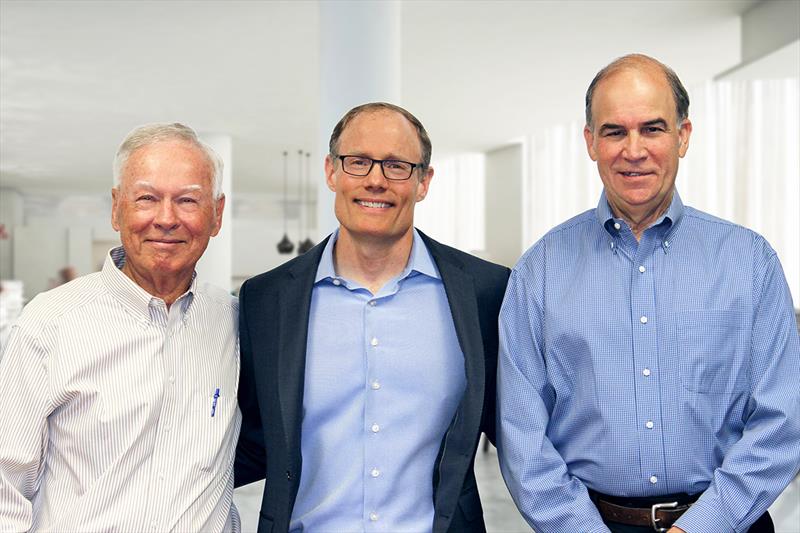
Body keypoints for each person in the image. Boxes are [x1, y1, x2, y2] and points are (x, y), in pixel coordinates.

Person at [497, 54, 800, 533]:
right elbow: (521, 436)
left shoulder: (750, 261)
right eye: (614, 131)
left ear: (683, 136)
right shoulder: (540, 270)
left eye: (653, 129)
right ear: (590, 142)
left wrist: (701, 526)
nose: (632, 150)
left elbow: (783, 420)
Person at [235, 102, 510, 532]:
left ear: (424, 182)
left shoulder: (486, 291)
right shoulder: (265, 300)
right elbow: (248, 439)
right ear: (331, 171)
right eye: (358, 162)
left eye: (397, 165)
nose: (376, 180)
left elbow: (517, 434)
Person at [0, 123, 241, 531]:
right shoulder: (49, 324)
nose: (166, 219)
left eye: (187, 200)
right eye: (147, 198)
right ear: (116, 208)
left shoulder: (233, 322)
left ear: (216, 215)